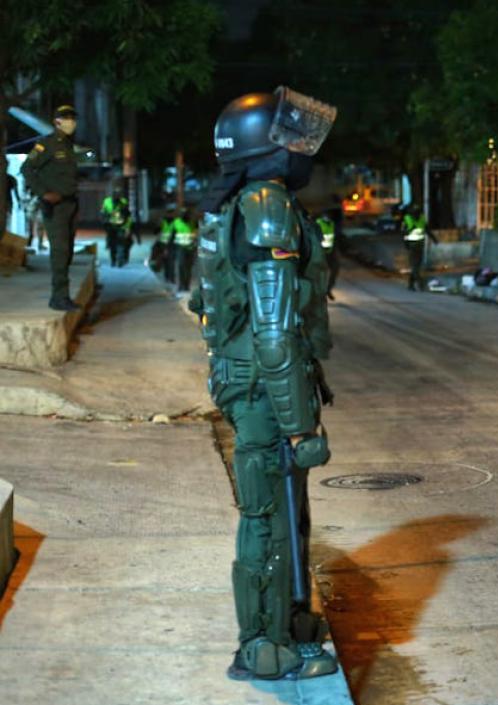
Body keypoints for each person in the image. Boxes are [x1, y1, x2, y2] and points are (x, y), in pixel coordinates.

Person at [188, 87, 338, 682]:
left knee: (283, 512)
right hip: (264, 390)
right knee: (268, 517)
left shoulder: (239, 203)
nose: (304, 150)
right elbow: (274, 333)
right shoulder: (266, 204)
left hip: (253, 382)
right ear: (264, 149)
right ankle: (262, 647)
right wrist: (301, 423)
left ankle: (289, 623)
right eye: (292, 140)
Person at [21, 105, 81, 311]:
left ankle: (63, 295)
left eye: (73, 118)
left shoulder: (68, 145)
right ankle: (59, 297)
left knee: (68, 251)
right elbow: (27, 169)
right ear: (56, 121)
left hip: (70, 205)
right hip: (55, 207)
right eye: (66, 118)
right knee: (60, 251)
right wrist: (43, 193)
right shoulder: (47, 144)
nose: (71, 122)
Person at [101, 186, 134, 268]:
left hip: (121, 226)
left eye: (118, 196)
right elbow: (103, 213)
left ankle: (120, 259)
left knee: (121, 242)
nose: (117, 197)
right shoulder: (107, 202)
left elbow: (127, 216)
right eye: (116, 196)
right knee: (112, 244)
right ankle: (113, 260)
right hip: (111, 226)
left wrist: (127, 228)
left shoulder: (123, 202)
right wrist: (105, 222)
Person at [401, 205, 428, 291]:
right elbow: (404, 233)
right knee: (414, 266)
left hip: (420, 245)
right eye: (415, 213)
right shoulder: (408, 219)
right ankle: (420, 283)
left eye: (418, 213)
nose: (417, 215)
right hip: (412, 245)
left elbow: (426, 228)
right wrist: (406, 244)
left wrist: (434, 238)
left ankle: (411, 284)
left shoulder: (422, 219)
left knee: (417, 265)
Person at [171, 208, 197, 293]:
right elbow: (172, 237)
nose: (186, 216)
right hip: (181, 248)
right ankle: (181, 285)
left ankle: (186, 285)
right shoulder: (176, 223)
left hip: (190, 248)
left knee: (188, 268)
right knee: (181, 266)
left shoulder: (192, 223)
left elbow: (196, 234)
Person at [316, 210, 339, 300]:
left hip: (330, 251)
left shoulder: (332, 224)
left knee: (335, 269)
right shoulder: (318, 223)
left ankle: (328, 289)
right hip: (321, 252)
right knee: (321, 273)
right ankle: (319, 292)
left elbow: (332, 237)